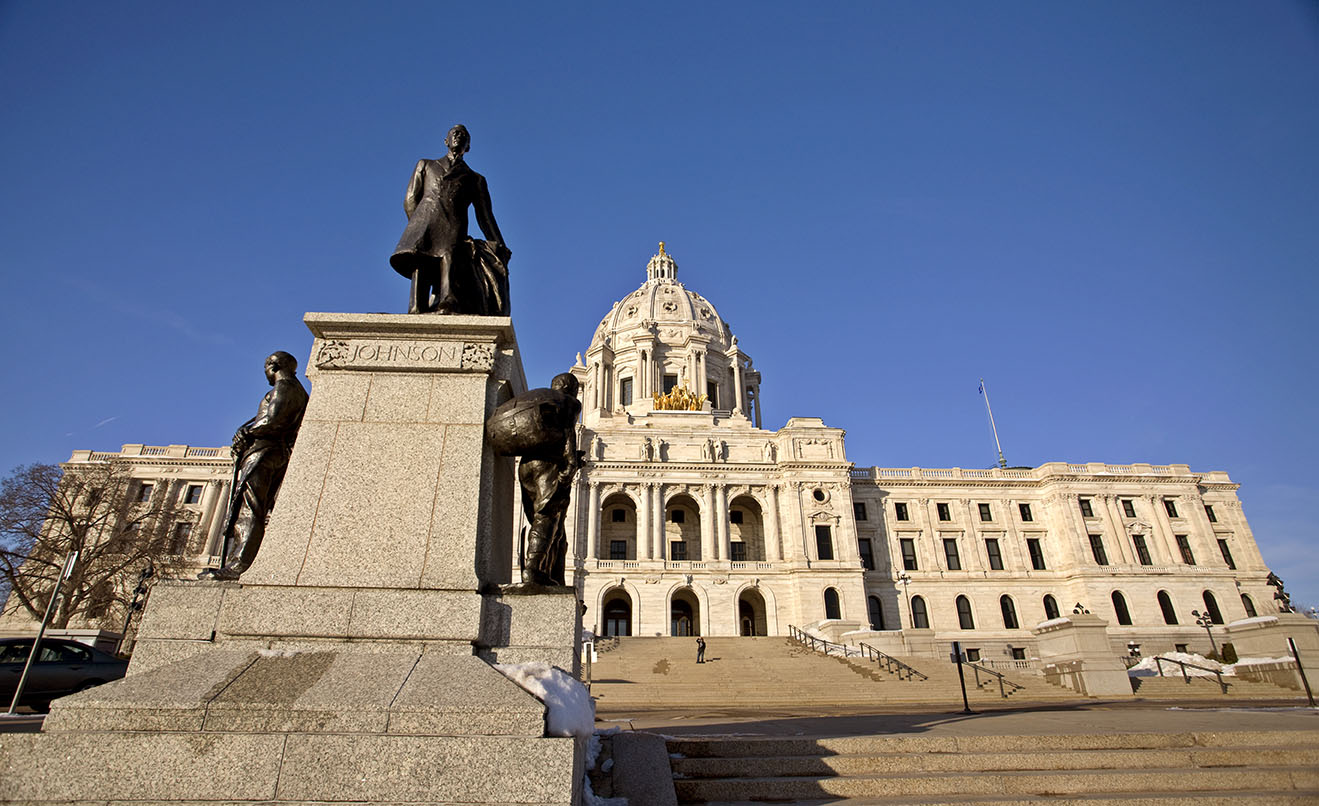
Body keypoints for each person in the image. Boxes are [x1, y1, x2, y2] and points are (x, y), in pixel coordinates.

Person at [199, 352, 307, 581]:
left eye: (266, 368)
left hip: (263, 451)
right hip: (275, 452)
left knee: (249, 509)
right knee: (256, 508)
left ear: (273, 365)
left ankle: (239, 564)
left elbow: (274, 420)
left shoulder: (284, 387)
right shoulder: (299, 391)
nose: (266, 373)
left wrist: (247, 433)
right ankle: (242, 560)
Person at [390, 124, 510, 315]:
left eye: (463, 135)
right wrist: (418, 224)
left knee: (449, 259)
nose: (458, 135)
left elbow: (485, 216)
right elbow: (410, 199)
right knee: (421, 264)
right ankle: (416, 308)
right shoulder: (426, 165)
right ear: (446, 141)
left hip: (454, 227)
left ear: (468, 146)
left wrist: (500, 246)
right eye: (454, 133)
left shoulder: (475, 179)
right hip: (425, 224)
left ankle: (448, 303)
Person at [486, 373, 584, 590]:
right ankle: (533, 570)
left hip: (527, 466)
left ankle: (549, 574)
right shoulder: (567, 403)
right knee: (546, 519)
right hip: (550, 466)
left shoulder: (541, 401)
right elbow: (568, 434)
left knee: (545, 524)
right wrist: (570, 463)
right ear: (573, 389)